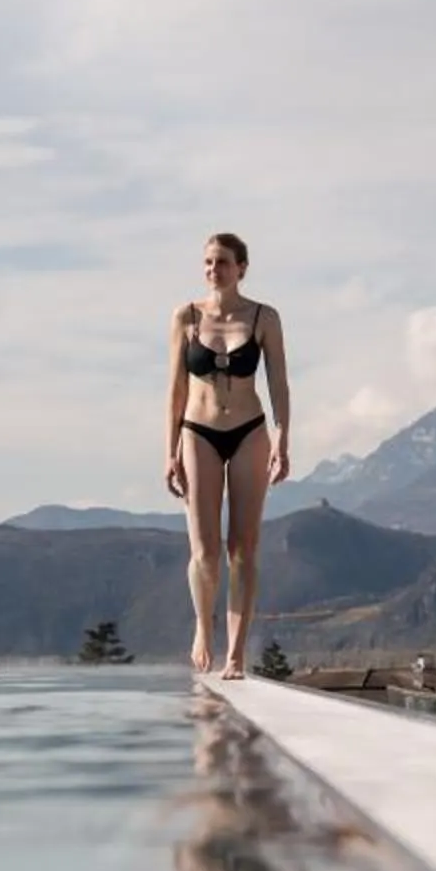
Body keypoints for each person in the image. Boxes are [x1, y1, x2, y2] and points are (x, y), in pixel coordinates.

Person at [165, 232, 291, 680]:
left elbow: (278, 383)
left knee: (243, 548)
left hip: (249, 431)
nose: (212, 270)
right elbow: (176, 388)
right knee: (206, 551)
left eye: (221, 262)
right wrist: (170, 452)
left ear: (241, 268)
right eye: (207, 262)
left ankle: (236, 653)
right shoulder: (186, 317)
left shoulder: (263, 318)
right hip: (197, 432)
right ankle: (203, 628)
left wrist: (283, 439)